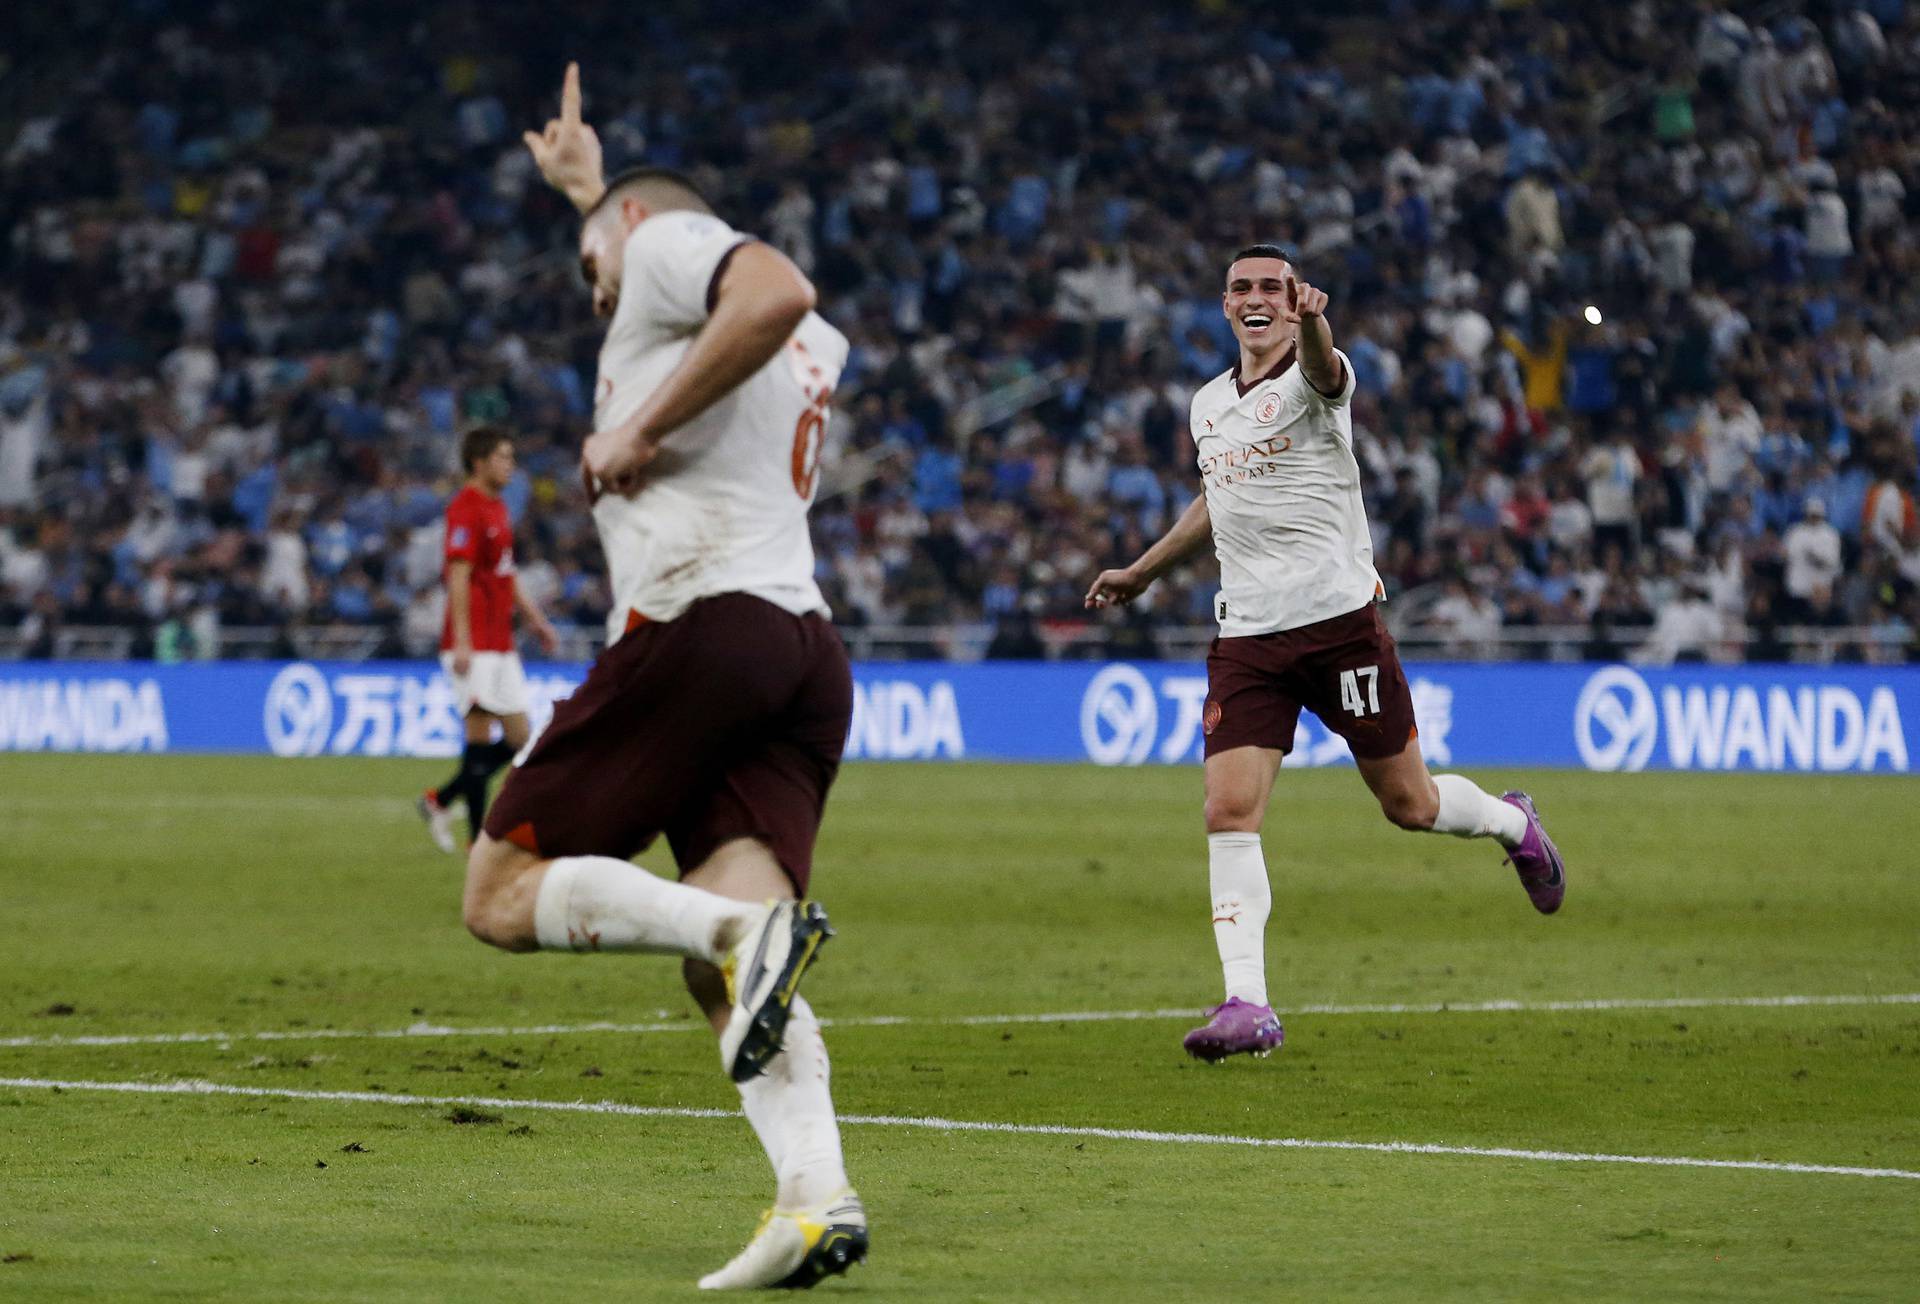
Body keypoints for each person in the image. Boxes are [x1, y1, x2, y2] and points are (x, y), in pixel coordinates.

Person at [460, 65, 864, 1291]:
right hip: (799, 653)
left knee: (496, 887)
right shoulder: (767, 339)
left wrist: (632, 430)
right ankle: (816, 1197)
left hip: (703, 624)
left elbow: (772, 281)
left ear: (637, 235)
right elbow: (696, 289)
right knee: (717, 970)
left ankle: (749, 930)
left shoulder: (675, 247)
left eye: (598, 271)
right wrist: (587, 186)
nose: (599, 303)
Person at [1085, 245, 1568, 1063]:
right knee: (1227, 810)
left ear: (1291, 300)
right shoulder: (1207, 405)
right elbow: (1218, 495)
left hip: (1340, 627)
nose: (1256, 300)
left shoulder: (1317, 372)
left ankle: (1511, 820)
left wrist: (1316, 322)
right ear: (1225, 303)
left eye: (1271, 288)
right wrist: (1142, 570)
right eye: (1242, 289)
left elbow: (1324, 369)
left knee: (1409, 806)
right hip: (1247, 638)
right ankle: (1248, 1003)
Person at [417, 426, 559, 852]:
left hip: (500, 641)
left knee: (519, 738)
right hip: (474, 642)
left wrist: (536, 620)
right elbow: (458, 576)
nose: (510, 465)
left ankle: (440, 800)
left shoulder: (497, 509)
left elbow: (505, 572)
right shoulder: (465, 509)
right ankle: (477, 841)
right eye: (502, 457)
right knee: (479, 740)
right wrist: (461, 640)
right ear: (478, 463)